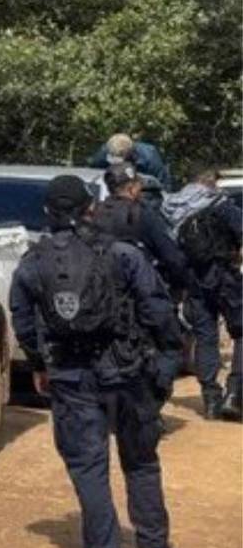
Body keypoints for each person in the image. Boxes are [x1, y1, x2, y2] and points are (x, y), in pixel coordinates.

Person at [9, 175, 183, 548]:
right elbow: (158, 311)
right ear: (90, 209)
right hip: (128, 373)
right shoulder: (124, 254)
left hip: (71, 377)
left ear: (49, 214)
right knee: (141, 463)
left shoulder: (33, 262)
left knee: (89, 470)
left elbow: (23, 321)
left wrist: (39, 364)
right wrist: (167, 359)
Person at [95, 162, 190, 409]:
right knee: (170, 346)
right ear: (134, 187)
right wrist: (182, 284)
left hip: (98, 297)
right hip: (140, 295)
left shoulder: (94, 213)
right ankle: (151, 404)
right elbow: (172, 256)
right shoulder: (143, 214)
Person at [162, 170, 243, 420]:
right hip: (226, 277)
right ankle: (235, 393)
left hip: (194, 281)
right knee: (241, 333)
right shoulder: (221, 205)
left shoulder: (172, 208)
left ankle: (210, 398)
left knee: (205, 337)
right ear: (211, 184)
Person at [88, 133, 173, 192]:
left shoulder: (149, 155)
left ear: (130, 152)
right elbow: (92, 172)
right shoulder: (105, 151)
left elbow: (163, 184)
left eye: (121, 158)